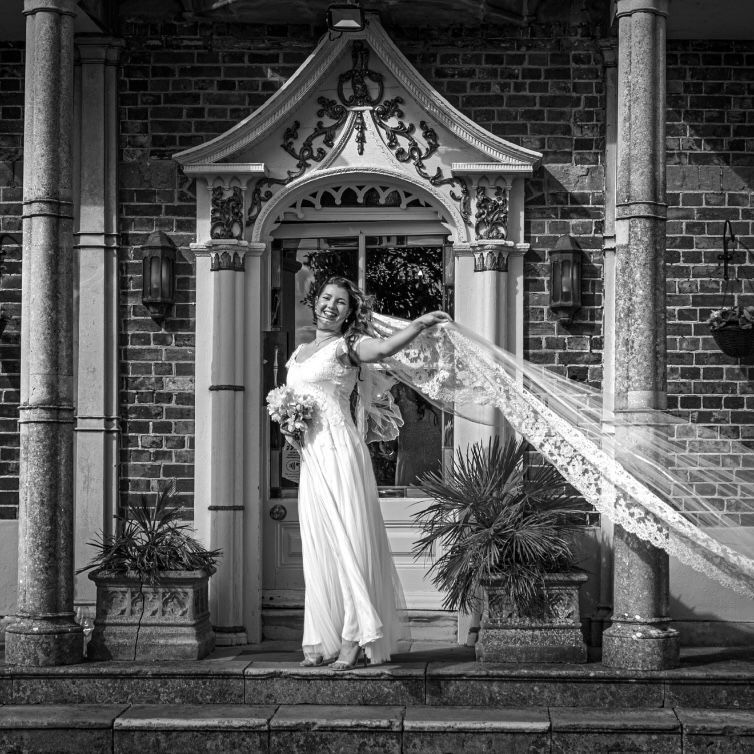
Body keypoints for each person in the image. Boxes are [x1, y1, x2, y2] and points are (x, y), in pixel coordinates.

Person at [282, 275, 449, 670]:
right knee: (319, 545)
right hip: (312, 457)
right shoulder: (300, 352)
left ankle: (354, 638)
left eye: (341, 302)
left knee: (346, 541)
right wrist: (289, 424)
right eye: (326, 298)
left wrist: (418, 325)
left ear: (350, 312)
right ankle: (321, 637)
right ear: (314, 301)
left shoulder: (349, 347)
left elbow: (387, 348)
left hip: (340, 452)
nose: (331, 306)